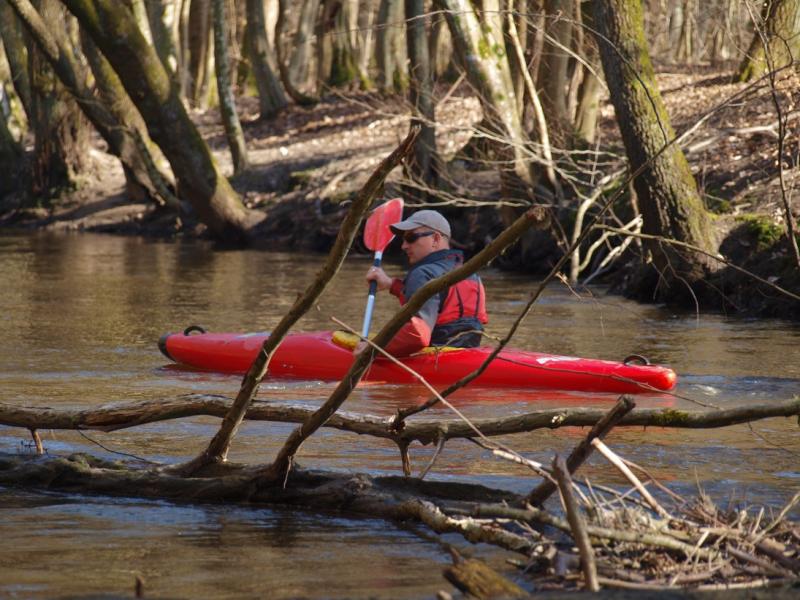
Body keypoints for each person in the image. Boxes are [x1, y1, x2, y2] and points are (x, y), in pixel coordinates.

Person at [362, 209, 488, 356]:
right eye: (403, 239)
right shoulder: (471, 275)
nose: (404, 246)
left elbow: (417, 336)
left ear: (435, 239)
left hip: (434, 359)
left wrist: (371, 349)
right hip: (469, 353)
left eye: (411, 237)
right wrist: (391, 285)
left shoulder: (422, 273)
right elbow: (438, 301)